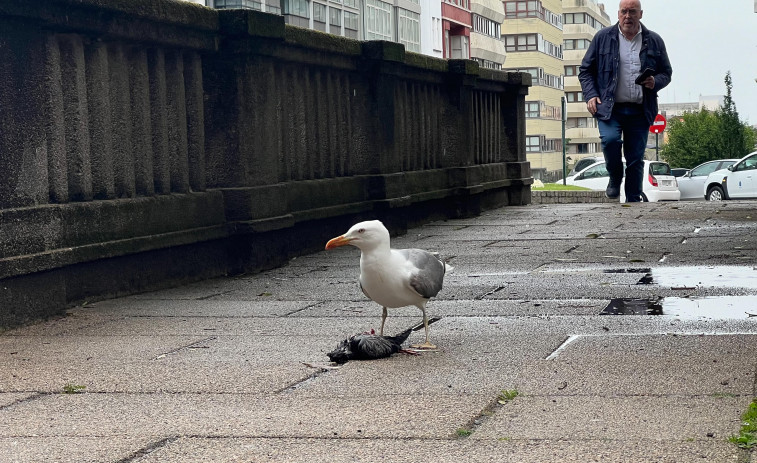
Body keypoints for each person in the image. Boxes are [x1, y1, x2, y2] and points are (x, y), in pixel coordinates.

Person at [578, 0, 672, 201]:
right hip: (610, 109)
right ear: (618, 13)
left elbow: (667, 72)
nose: (627, 16)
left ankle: (633, 199)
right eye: (624, 12)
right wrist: (591, 95)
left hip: (640, 109)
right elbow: (586, 70)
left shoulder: (654, 41)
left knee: (635, 159)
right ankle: (614, 177)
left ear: (641, 14)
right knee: (610, 141)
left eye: (632, 11)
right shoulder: (603, 38)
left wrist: (655, 81)